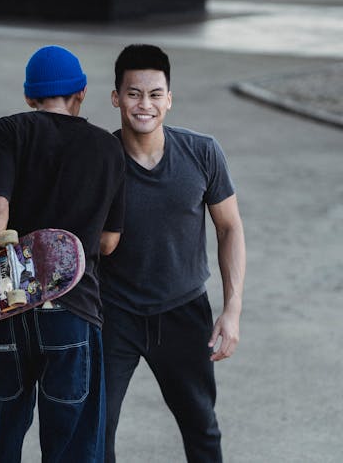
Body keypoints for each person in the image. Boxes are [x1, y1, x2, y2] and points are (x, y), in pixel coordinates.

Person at [0, 45, 126, 462]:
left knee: (3, 425)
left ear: (30, 97)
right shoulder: (107, 148)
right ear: (81, 93)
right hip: (72, 311)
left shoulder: (8, 131)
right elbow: (108, 242)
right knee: (73, 442)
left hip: (7, 307)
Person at [100, 44, 246, 462]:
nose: (144, 104)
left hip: (183, 312)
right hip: (113, 314)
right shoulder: (99, 159)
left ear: (169, 98)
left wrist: (232, 310)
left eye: (154, 93)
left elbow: (230, 227)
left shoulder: (202, 153)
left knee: (201, 427)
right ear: (115, 97)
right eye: (133, 93)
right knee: (95, 429)